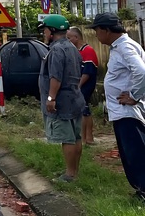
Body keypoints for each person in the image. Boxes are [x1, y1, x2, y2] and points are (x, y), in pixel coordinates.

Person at [89, 12, 145, 201]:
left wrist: (134, 96)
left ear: (106, 30)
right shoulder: (119, 47)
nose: (96, 35)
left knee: (135, 152)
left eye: (97, 30)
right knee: (131, 152)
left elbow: (142, 71)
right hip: (122, 112)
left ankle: (143, 191)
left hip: (128, 112)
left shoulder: (125, 47)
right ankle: (140, 189)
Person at [38, 14, 85, 183]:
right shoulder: (72, 47)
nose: (44, 33)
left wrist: (51, 98)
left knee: (67, 138)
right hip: (75, 98)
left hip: (62, 101)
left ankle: (69, 175)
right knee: (76, 136)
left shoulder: (57, 50)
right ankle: (73, 171)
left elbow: (55, 77)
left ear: (52, 31)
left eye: (45, 29)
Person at [67, 26, 99, 145]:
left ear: (76, 37)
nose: (68, 40)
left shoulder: (88, 50)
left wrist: (78, 86)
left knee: (85, 110)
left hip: (85, 85)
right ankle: (84, 137)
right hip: (78, 85)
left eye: (69, 38)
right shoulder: (77, 51)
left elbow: (87, 72)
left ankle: (88, 137)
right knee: (82, 110)